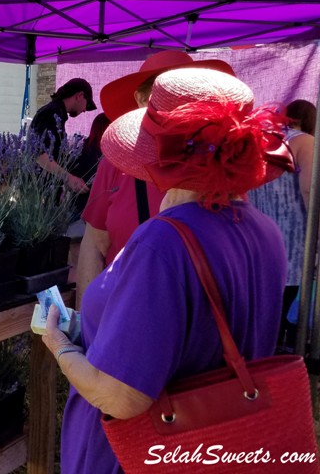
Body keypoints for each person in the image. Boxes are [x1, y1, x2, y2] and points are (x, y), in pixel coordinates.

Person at [41, 66, 292, 473]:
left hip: (138, 451)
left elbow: (121, 397)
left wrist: (61, 346)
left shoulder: (163, 241)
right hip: (215, 446)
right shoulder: (264, 231)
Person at [75, 51, 234, 306]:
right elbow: (94, 244)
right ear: (141, 100)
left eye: (191, 95)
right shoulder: (115, 163)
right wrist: (84, 323)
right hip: (123, 308)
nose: (180, 106)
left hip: (193, 312)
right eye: (167, 93)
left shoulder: (219, 164)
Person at [248, 98, 316, 351]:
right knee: (288, 307)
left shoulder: (259, 142)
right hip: (296, 239)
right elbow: (310, 189)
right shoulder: (305, 142)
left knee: (266, 311)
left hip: (259, 236)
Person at [29, 78, 96, 193]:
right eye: (87, 104)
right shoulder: (52, 112)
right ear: (79, 96)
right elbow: (38, 153)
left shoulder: (56, 112)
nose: (85, 110)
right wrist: (68, 177)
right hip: (38, 192)